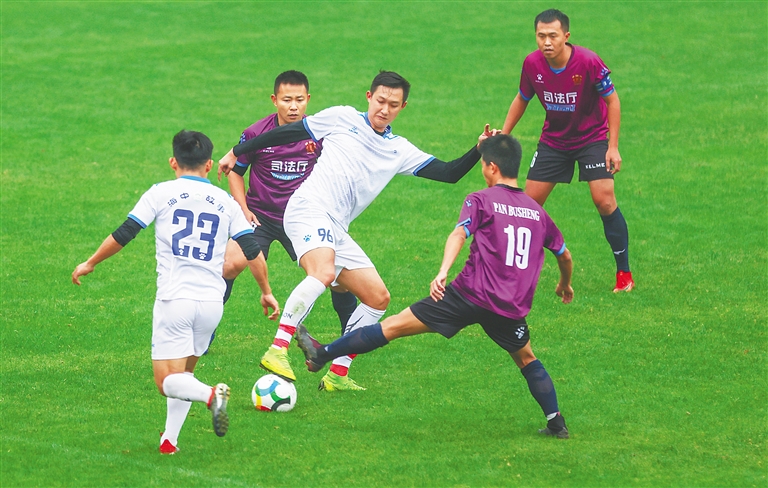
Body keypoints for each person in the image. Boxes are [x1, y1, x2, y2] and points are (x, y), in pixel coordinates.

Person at [219, 70, 497, 391]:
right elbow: (288, 133)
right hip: (308, 208)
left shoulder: (400, 150)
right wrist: (237, 152)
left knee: (377, 298)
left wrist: (479, 148)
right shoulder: (342, 117)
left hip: (336, 226)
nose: (384, 109)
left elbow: (449, 173)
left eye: (393, 105)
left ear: (403, 107)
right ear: (369, 97)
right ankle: (277, 349)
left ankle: (337, 374)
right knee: (323, 273)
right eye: (380, 100)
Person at [295, 134, 573, 438]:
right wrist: (564, 284)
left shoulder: (481, 199)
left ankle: (322, 354)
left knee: (392, 327)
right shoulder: (538, 213)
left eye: (483, 163)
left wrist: (442, 272)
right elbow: (564, 255)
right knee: (526, 359)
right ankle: (557, 423)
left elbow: (458, 235)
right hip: (509, 307)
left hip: (467, 296)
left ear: (492, 167)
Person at [72, 130, 280, 454]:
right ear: (209, 164)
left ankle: (211, 395)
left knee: (165, 382)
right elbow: (251, 249)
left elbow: (126, 232)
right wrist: (266, 291)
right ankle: (170, 441)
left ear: (173, 162)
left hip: (175, 301)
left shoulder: (160, 193)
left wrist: (91, 262)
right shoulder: (227, 202)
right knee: (185, 375)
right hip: (212, 304)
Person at [208, 70, 357, 355]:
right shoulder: (256, 134)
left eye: (299, 100)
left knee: (338, 276)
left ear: (308, 99)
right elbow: (236, 172)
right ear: (274, 100)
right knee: (229, 264)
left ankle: (351, 340)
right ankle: (204, 335)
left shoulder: (320, 134)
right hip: (260, 216)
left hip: (304, 217)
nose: (293, 106)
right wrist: (244, 210)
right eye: (287, 100)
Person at [501, 8, 634, 293]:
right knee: (527, 208)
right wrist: (504, 134)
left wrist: (612, 147)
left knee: (604, 201)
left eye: (553, 36)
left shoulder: (588, 61)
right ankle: (514, 274)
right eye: (541, 36)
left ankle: (624, 274)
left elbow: (613, 101)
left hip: (592, 138)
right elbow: (522, 98)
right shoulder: (532, 63)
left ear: (566, 36)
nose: (546, 42)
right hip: (554, 141)